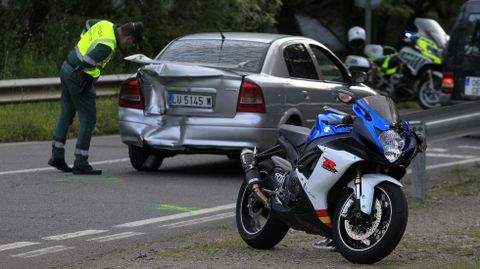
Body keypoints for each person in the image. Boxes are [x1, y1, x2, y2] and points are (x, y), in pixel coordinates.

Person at [48, 19, 143, 175]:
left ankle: (57, 155)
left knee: (66, 111)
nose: (129, 45)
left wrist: (84, 40)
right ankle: (81, 162)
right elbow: (87, 60)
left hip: (66, 67)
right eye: (131, 43)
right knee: (88, 118)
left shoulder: (105, 24)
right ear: (128, 37)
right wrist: (92, 75)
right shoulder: (108, 45)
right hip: (77, 76)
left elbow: (88, 23)